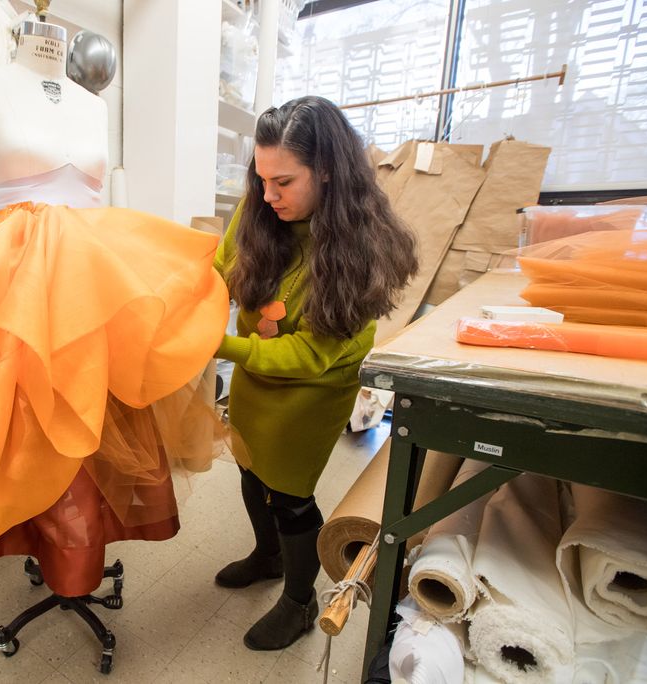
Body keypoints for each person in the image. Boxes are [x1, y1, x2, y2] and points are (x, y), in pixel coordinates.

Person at [0, 18, 229, 598]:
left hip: (87, 284)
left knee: (90, 427)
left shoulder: (93, 104)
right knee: (21, 428)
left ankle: (77, 555)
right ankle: (41, 542)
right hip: (7, 281)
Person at [213, 96, 418, 650]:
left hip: (310, 391)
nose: (268, 195)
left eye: (284, 181)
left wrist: (219, 343)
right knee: (252, 470)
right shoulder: (262, 208)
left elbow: (307, 356)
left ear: (327, 171)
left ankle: (299, 602)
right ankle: (269, 556)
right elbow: (219, 268)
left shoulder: (358, 251)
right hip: (260, 375)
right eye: (260, 180)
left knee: (290, 491)